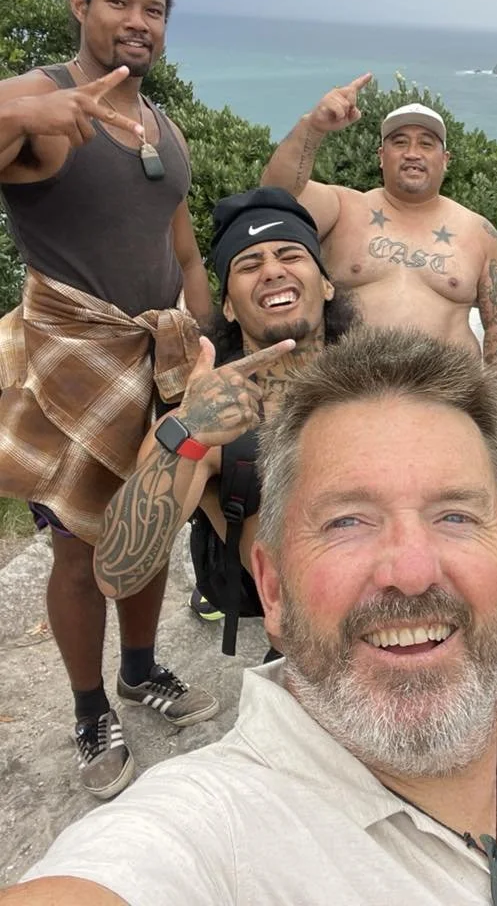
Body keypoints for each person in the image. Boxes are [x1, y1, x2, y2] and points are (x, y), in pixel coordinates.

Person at [8, 327, 497, 906]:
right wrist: (189, 427)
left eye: (455, 515)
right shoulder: (210, 834)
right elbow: (119, 568)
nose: (410, 569)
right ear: (272, 590)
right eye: (346, 520)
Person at [0, 0, 215, 799]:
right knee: (82, 554)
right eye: (118, 2)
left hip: (160, 356)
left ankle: (139, 669)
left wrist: (200, 338)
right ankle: (91, 708)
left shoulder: (158, 121)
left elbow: (185, 250)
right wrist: (19, 115)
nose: (137, 21)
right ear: (80, 5)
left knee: (151, 525)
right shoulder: (41, 97)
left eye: (153, 9)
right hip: (77, 360)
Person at [92, 187, 359, 659]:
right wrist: (189, 433)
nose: (273, 270)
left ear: (327, 284)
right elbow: (118, 571)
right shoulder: (204, 428)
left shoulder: (385, 386)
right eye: (249, 264)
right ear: (230, 308)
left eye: (290, 255)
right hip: (311, 666)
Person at [259, 83, 497, 407]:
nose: (413, 153)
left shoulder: (480, 232)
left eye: (427, 144)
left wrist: (491, 407)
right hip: (348, 397)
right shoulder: (343, 207)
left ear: (446, 159)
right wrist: (312, 127)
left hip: (449, 403)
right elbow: (273, 197)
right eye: (399, 143)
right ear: (382, 157)